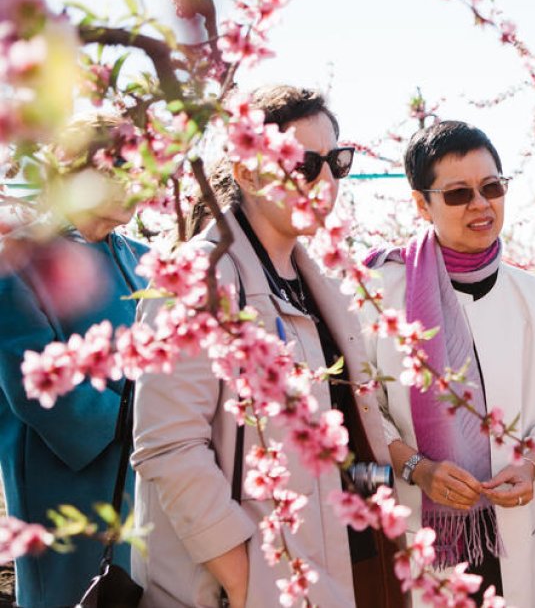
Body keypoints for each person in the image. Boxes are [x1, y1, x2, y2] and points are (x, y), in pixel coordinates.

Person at [132, 85, 396, 607]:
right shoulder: (198, 278)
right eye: (304, 163)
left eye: (335, 162)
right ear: (249, 172)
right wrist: (243, 576)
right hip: (249, 583)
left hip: (335, 569)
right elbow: (169, 447)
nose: (324, 180)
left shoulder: (321, 286)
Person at [360, 120, 535, 608]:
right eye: (457, 194)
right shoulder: (376, 295)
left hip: (517, 529)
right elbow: (357, 408)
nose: (480, 204)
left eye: (492, 187)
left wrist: (532, 464)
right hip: (419, 533)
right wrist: (418, 468)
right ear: (420, 203)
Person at [0, 113, 147, 608]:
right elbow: (35, 386)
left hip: (148, 481)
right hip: (66, 485)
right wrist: (148, 422)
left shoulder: (146, 260)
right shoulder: (19, 259)